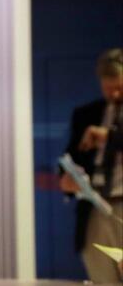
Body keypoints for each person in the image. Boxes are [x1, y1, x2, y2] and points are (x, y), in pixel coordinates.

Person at [61, 48, 123, 283]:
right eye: (108, 88)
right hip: (96, 207)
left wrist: (109, 136)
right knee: (101, 276)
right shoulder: (86, 114)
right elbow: (71, 156)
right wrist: (65, 179)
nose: (114, 94)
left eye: (119, 87)